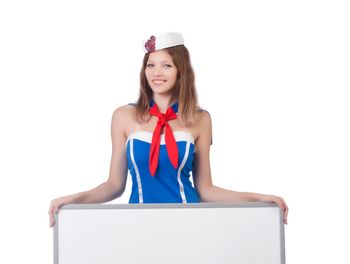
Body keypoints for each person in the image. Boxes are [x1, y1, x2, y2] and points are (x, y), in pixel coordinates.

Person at [48, 33, 288, 226]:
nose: (157, 73)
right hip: (137, 225)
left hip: (190, 223)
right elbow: (114, 185)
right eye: (150, 65)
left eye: (166, 65)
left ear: (181, 71)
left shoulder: (200, 119)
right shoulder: (123, 117)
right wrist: (74, 200)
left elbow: (206, 189)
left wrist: (258, 198)